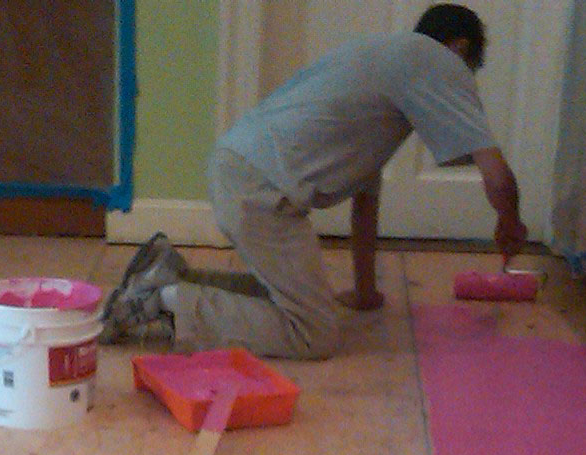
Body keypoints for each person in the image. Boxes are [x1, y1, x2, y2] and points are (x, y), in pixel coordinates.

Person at [100, 4, 524, 359]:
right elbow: (498, 177)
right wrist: (510, 223)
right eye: (471, 68)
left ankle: (169, 279)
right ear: (459, 48)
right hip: (262, 190)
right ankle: (162, 303)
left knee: (285, 297)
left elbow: (365, 203)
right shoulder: (436, 62)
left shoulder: (381, 70)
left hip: (239, 167)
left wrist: (365, 292)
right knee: (312, 332)